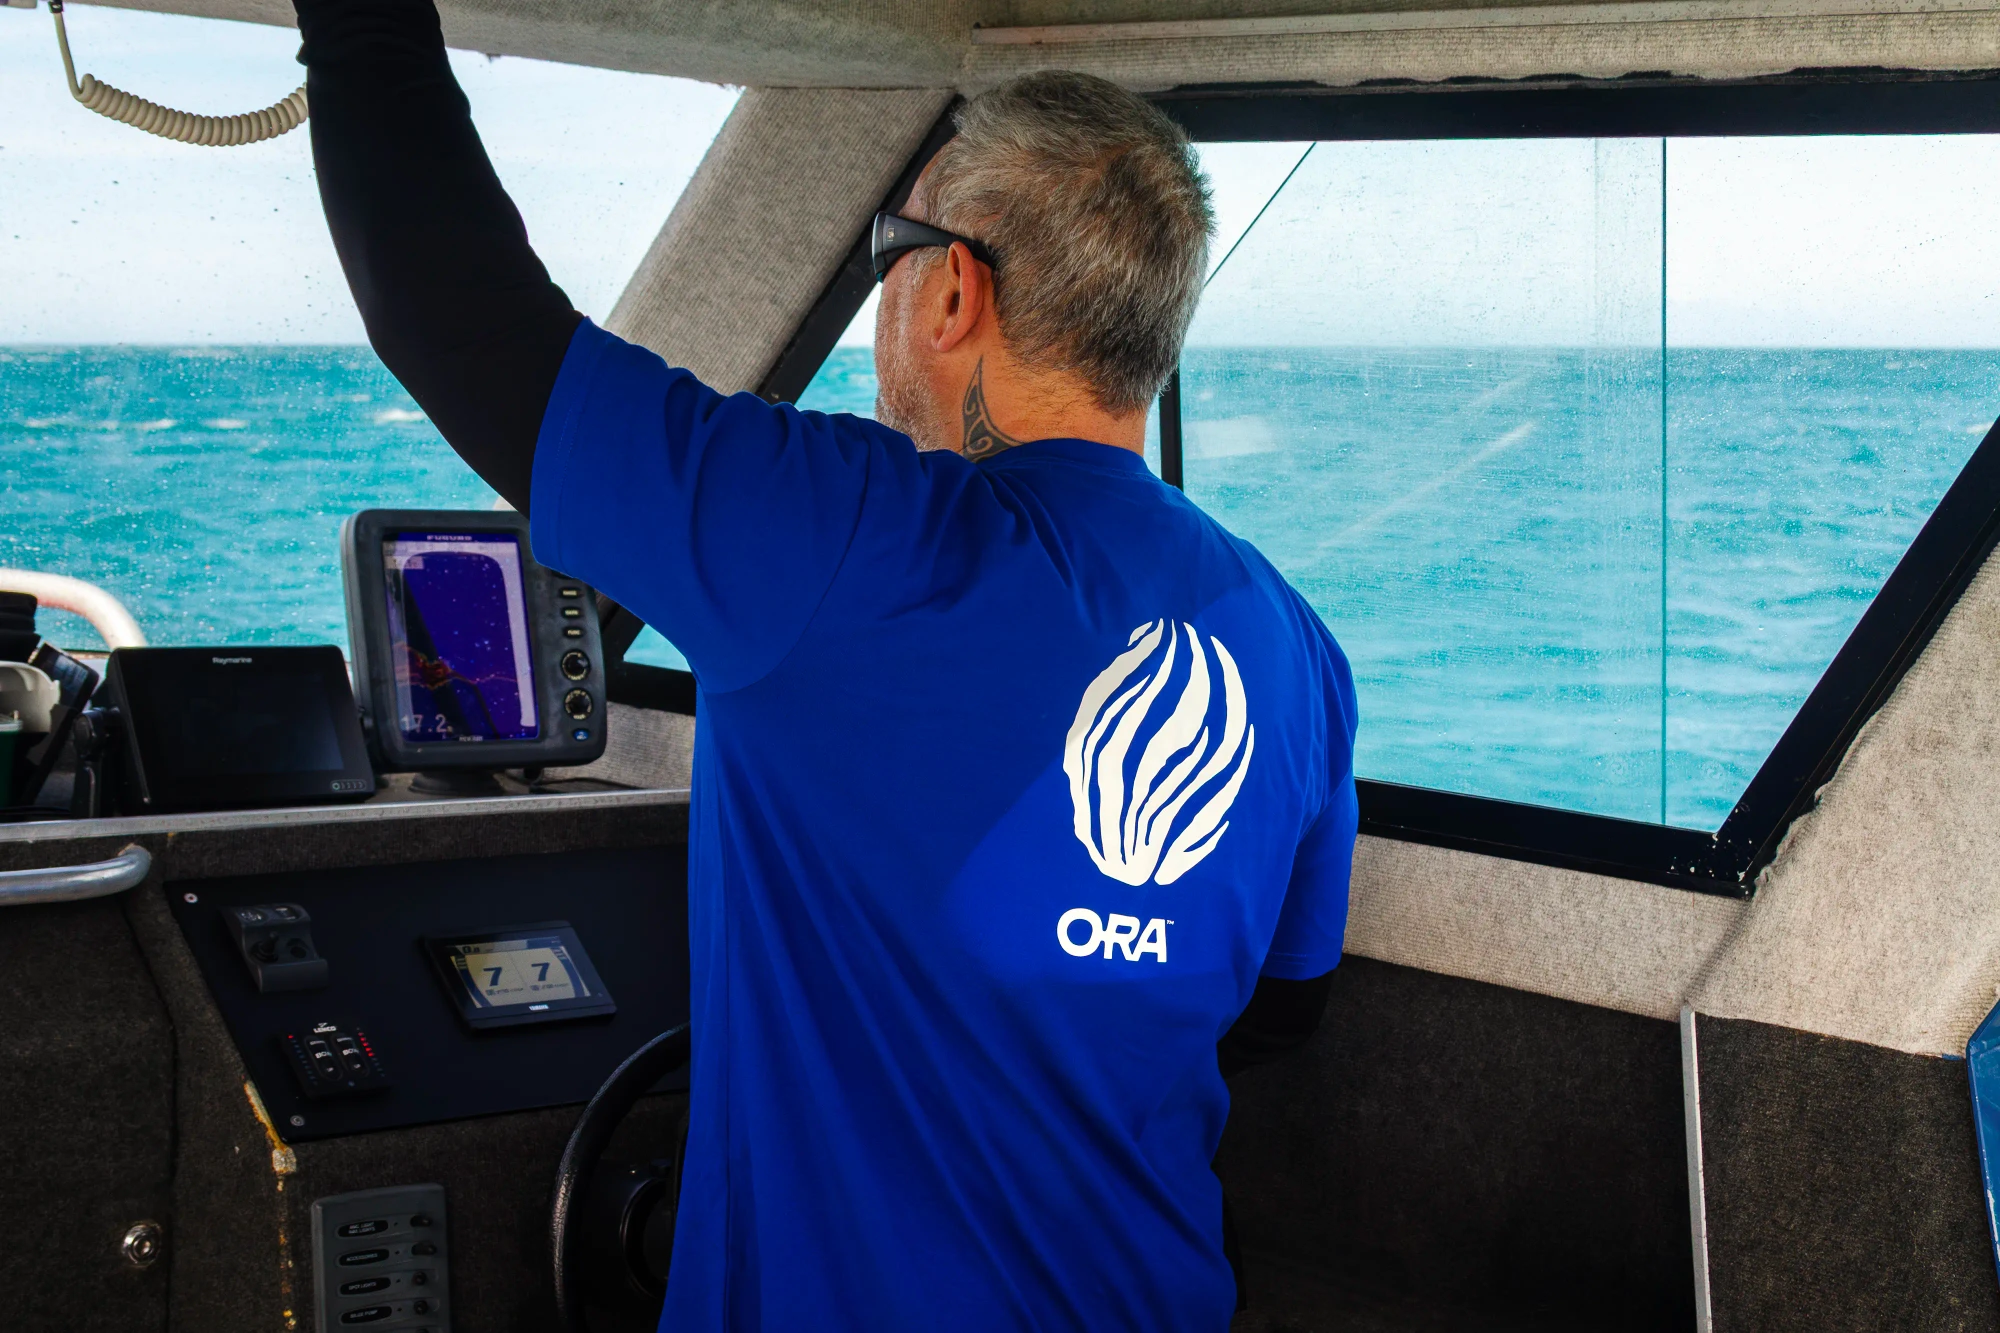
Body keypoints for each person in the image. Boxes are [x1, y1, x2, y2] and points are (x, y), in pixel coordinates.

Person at [292, 1, 1359, 1327]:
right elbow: (1278, 1015)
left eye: (886, 257)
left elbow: (457, 317)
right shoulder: (1297, 647)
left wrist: (357, 25)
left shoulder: (854, 544)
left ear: (954, 288)